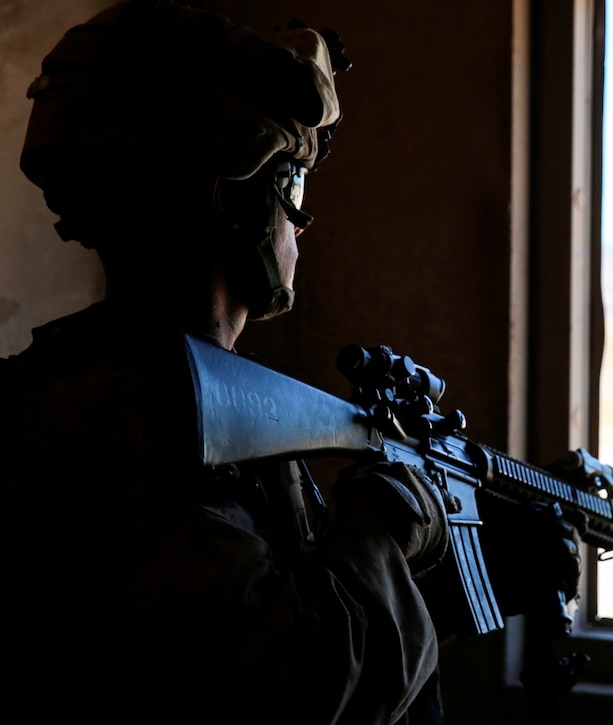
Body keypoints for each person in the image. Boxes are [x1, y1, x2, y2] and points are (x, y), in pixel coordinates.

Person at [0, 2, 579, 723]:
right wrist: (389, 517)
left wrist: (441, 583)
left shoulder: (144, 397)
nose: (303, 225)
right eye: (295, 190)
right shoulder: (128, 426)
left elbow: (250, 623)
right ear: (234, 204)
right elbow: (302, 687)